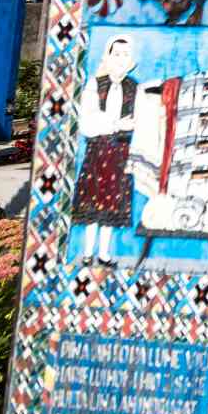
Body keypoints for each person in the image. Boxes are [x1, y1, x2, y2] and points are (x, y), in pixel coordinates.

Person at [75, 36, 140, 266]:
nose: (121, 59)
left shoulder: (133, 87)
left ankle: (104, 253)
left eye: (125, 54)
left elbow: (138, 118)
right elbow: (86, 121)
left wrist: (130, 125)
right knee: (93, 202)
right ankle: (86, 253)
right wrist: (113, 124)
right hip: (98, 150)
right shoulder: (96, 84)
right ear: (108, 56)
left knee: (112, 204)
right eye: (117, 54)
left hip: (120, 152)